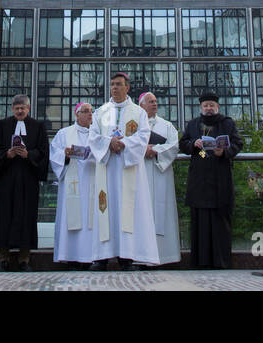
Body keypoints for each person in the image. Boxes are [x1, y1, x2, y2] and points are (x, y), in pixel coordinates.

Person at [88, 72, 158, 269]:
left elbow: (144, 135)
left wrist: (124, 144)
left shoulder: (139, 112)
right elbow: (92, 136)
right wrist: (108, 143)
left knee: (128, 208)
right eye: (112, 84)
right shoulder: (100, 112)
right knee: (105, 208)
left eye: (119, 84)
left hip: (129, 168)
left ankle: (127, 256)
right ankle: (102, 257)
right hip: (107, 166)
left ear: (127, 87)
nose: (114, 88)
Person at [178, 89, 244, 269]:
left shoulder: (227, 124)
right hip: (199, 179)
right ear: (201, 107)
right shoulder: (193, 124)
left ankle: (220, 261)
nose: (208, 108)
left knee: (220, 222)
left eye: (211, 106)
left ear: (217, 107)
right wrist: (194, 144)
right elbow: (182, 144)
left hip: (219, 178)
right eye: (205, 105)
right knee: (199, 222)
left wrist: (224, 152)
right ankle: (200, 261)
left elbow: (238, 143)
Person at [0, 94, 48, 272]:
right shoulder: (2, 125)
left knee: (27, 217)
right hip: (6, 179)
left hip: (28, 179)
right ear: (12, 109)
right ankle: (3, 258)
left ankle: (24, 259)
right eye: (17, 108)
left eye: (23, 108)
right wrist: (7, 154)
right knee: (3, 217)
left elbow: (43, 151)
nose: (20, 111)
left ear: (28, 108)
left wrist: (28, 155)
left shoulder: (37, 126)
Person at [50, 102, 98, 267]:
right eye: (85, 111)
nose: (89, 114)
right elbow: (54, 153)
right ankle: (70, 257)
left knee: (92, 219)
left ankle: (93, 258)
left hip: (93, 181)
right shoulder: (64, 133)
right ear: (76, 114)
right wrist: (65, 154)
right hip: (73, 183)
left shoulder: (98, 134)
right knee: (71, 218)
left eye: (91, 111)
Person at [139, 91, 181, 266]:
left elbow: (174, 145)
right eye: (150, 101)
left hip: (160, 173)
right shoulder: (133, 125)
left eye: (156, 101)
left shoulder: (166, 126)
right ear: (141, 105)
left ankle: (164, 256)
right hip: (139, 174)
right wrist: (142, 149)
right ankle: (140, 257)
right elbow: (125, 144)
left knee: (162, 213)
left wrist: (155, 150)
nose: (154, 104)